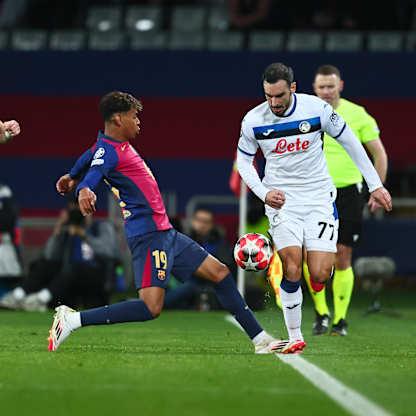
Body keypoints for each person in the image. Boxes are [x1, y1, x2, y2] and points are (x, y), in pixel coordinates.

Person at [47, 91, 289, 354]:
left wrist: (71, 176)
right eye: (133, 116)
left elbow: (90, 158)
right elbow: (94, 171)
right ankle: (72, 320)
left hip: (166, 233)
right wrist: (83, 188)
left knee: (219, 273)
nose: (138, 121)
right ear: (118, 119)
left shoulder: (107, 147)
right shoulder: (109, 152)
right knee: (151, 307)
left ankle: (260, 339)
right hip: (148, 235)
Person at [236, 62, 392, 353]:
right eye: (268, 96)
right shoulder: (253, 120)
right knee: (292, 266)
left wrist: (375, 185)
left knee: (319, 273)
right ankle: (295, 335)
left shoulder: (316, 110)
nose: (274, 103)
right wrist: (263, 192)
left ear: (293, 88)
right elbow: (243, 162)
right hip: (282, 201)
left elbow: (351, 143)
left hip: (320, 198)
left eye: (279, 96)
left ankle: (319, 278)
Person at [302, 64, 388, 336]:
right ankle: (321, 314)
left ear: (340, 85)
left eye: (331, 86)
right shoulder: (304, 111)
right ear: (314, 89)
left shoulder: (358, 115)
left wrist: (377, 187)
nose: (326, 91)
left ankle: (339, 319)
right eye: (321, 87)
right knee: (311, 254)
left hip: (348, 191)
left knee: (342, 255)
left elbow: (380, 155)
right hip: (313, 191)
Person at [0, 199, 118, 311]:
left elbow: (109, 252)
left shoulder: (101, 227)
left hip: (94, 277)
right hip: (67, 279)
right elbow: (49, 255)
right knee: (43, 265)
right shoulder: (66, 230)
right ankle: (17, 296)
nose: (78, 214)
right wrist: (58, 229)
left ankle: (40, 299)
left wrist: (84, 234)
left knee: (75, 268)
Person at [164, 207, 234, 310]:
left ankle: (157, 304)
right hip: (182, 280)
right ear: (193, 221)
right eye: (199, 220)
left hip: (204, 284)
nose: (202, 225)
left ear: (211, 225)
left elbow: (222, 268)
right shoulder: (184, 240)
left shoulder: (218, 243)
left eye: (206, 222)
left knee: (187, 288)